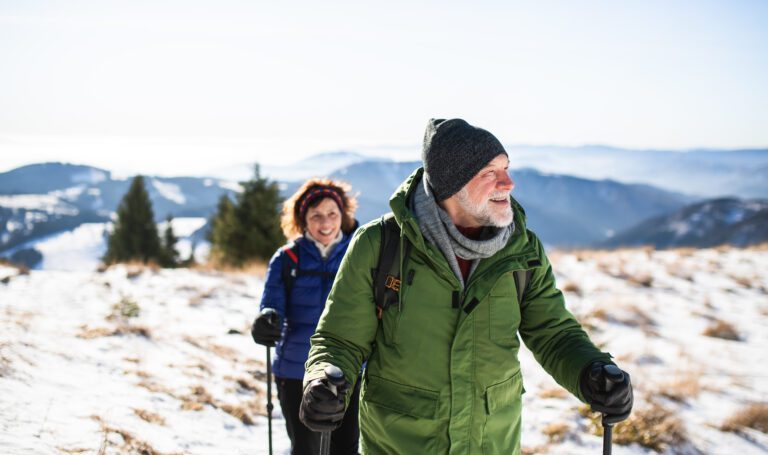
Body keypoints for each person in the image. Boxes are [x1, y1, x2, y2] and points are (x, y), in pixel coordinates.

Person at [299, 119, 633, 454]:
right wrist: (323, 379)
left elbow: (553, 333)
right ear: (452, 184)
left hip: (491, 443)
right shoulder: (382, 243)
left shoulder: (522, 250)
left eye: (506, 168)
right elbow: (340, 338)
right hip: (400, 444)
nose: (509, 183)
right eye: (491, 172)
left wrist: (590, 370)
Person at [251, 178, 360, 455]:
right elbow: (272, 303)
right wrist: (267, 319)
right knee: (305, 448)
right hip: (295, 370)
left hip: (349, 370)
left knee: (345, 448)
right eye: (316, 216)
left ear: (343, 216)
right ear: (303, 220)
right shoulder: (287, 258)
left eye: (332, 214)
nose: (325, 223)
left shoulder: (359, 254)